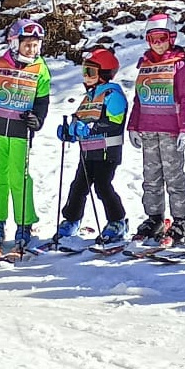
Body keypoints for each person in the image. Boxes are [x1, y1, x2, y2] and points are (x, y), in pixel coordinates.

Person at [0, 18, 52, 257]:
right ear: (15, 43)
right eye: (28, 44)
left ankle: (24, 223)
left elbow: (42, 102)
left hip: (20, 131)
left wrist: (37, 120)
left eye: (36, 45)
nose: (33, 49)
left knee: (19, 177)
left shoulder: (40, 69)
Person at [125, 13, 185, 247]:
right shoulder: (145, 64)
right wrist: (133, 126)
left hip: (170, 131)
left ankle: (182, 219)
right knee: (151, 177)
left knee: (174, 175)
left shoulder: (179, 63)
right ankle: (154, 217)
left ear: (172, 37)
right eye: (152, 38)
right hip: (147, 129)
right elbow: (139, 98)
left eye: (162, 37)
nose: (157, 43)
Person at [54, 48, 131, 246]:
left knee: (103, 187)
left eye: (90, 72)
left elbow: (115, 122)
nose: (86, 77)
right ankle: (71, 219)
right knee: (78, 186)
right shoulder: (89, 97)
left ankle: (117, 221)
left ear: (103, 75)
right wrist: (69, 132)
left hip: (107, 152)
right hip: (88, 152)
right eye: (84, 72)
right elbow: (79, 120)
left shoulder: (112, 95)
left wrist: (91, 128)